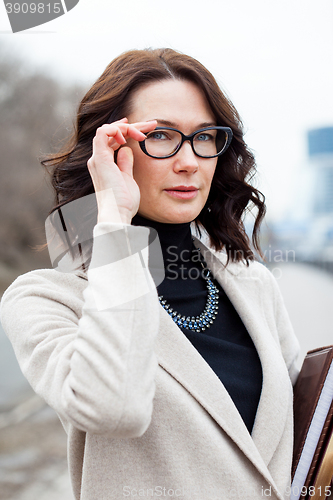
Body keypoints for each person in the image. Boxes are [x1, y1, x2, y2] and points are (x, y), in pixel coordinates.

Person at [0, 48, 299, 500]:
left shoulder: (253, 285)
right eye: (160, 136)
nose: (189, 161)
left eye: (204, 137)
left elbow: (307, 425)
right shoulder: (45, 299)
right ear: (109, 149)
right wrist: (115, 218)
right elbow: (114, 407)